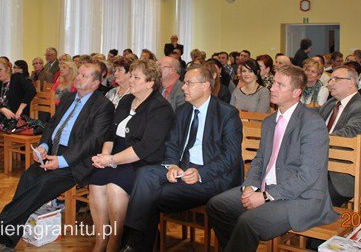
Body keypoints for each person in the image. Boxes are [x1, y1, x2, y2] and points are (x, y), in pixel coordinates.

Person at [0, 63, 114, 250]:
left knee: (43, 184)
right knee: (28, 178)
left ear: (95, 83)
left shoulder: (103, 105)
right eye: (78, 73)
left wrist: (62, 161)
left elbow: (92, 141)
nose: (78, 77)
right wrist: (44, 145)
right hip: (53, 151)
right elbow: (52, 123)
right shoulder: (69, 97)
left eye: (84, 76)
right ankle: (8, 237)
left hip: (76, 160)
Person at [207, 65, 337, 252]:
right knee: (217, 205)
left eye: (280, 85)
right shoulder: (269, 121)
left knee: (248, 222)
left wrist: (266, 197)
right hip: (266, 187)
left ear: (296, 92)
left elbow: (308, 175)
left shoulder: (312, 124)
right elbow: (260, 159)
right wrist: (250, 186)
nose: (272, 88)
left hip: (301, 197)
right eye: (274, 83)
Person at [120, 67, 243, 252]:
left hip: (213, 176)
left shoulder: (227, 114)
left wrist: (200, 173)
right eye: (184, 82)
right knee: (145, 174)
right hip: (183, 168)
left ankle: (133, 245)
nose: (183, 87)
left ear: (205, 86)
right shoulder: (184, 110)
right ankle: (134, 244)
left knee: (147, 198)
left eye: (189, 83)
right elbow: (172, 144)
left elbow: (231, 157)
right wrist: (172, 165)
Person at [89, 60, 175, 251]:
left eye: (137, 77)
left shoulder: (160, 108)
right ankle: (101, 240)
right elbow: (110, 133)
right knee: (95, 183)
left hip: (142, 161)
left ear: (150, 82)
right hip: (116, 155)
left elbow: (145, 147)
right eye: (132, 76)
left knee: (114, 188)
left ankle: (115, 240)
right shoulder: (127, 100)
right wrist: (104, 157)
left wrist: (111, 160)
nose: (131, 80)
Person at [318, 66, 361, 206]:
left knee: (311, 197)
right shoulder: (331, 103)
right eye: (330, 79)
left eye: (335, 79)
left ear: (351, 82)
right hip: (322, 165)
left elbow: (348, 134)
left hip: (346, 175)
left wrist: (314, 139)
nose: (329, 83)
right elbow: (313, 120)